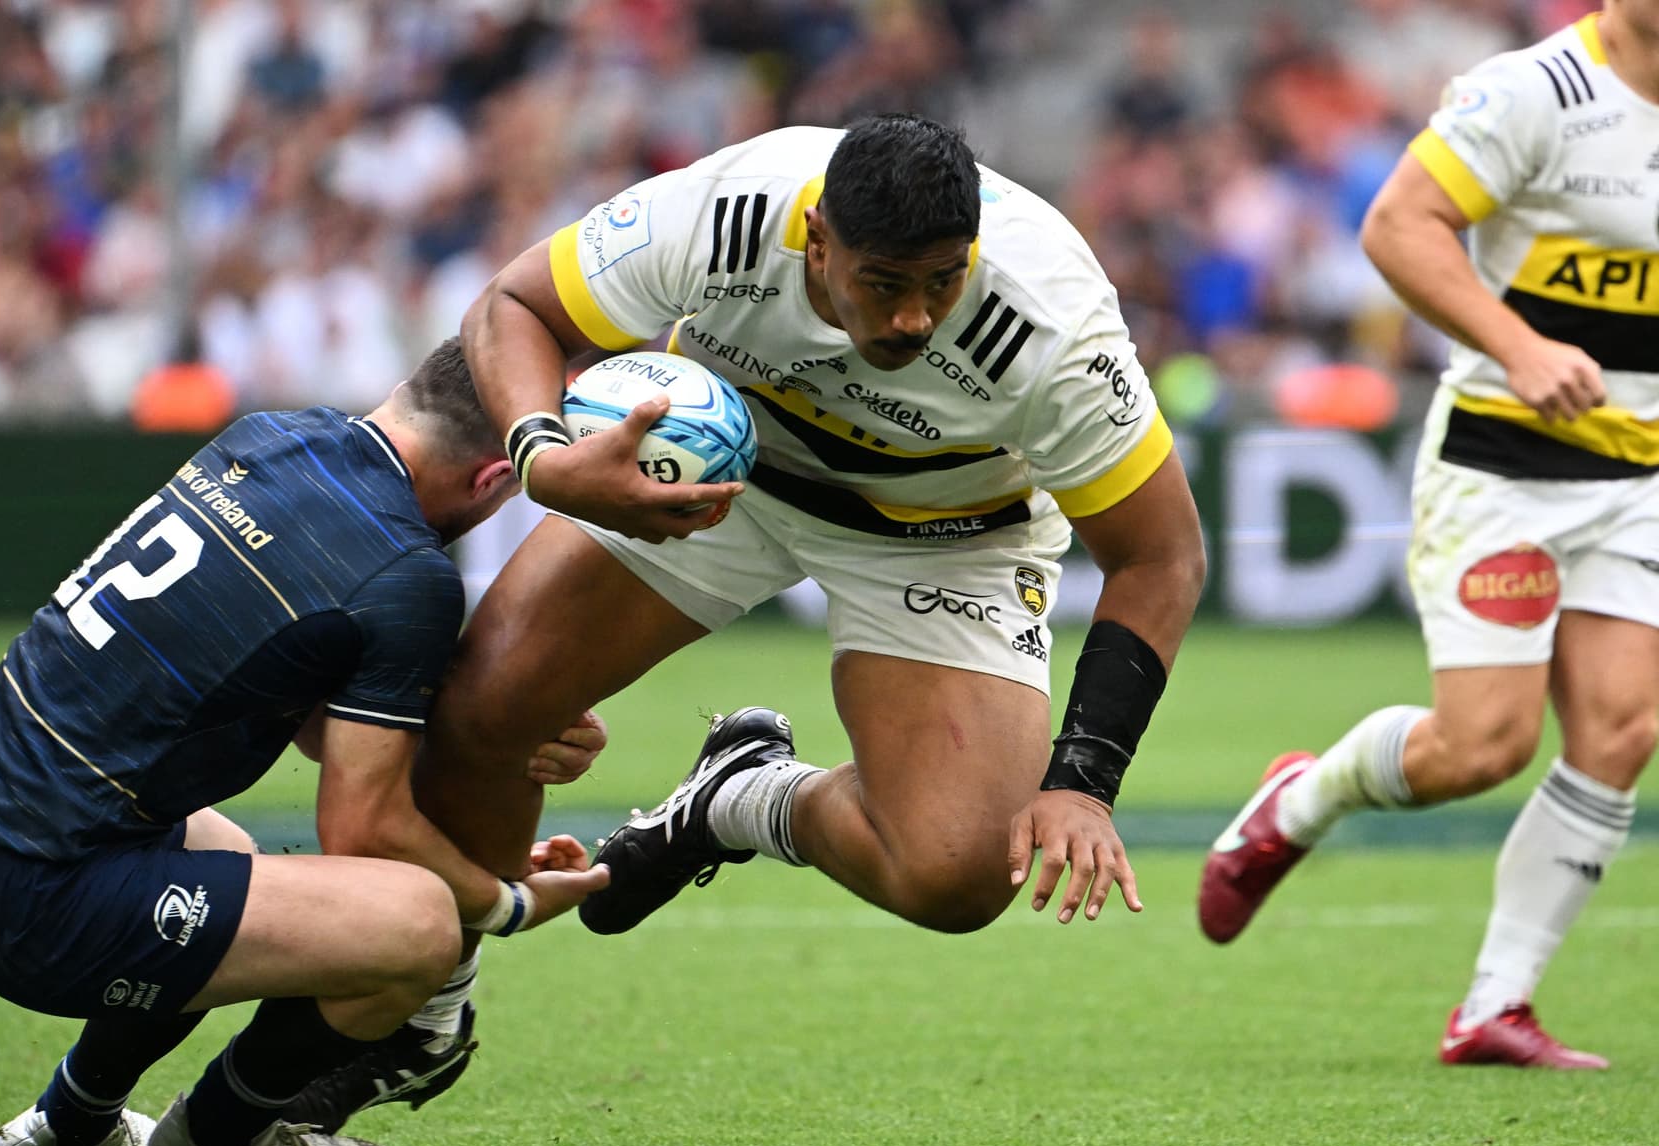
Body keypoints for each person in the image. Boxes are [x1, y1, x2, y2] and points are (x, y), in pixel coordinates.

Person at [411, 114, 1206, 944]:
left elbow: (1161, 556)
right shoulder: (729, 206)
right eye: (887, 283)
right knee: (483, 709)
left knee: (957, 875)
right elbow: (515, 302)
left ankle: (740, 797)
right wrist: (544, 460)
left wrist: (1083, 782)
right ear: (818, 241)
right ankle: (427, 1005)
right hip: (720, 465)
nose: (914, 319)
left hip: (949, 529)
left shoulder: (1053, 324)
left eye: (943, 281)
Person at [0, 339, 611, 1146]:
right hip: (34, 897)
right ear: (497, 479)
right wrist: (505, 902)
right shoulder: (405, 571)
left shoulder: (271, 436)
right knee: (420, 923)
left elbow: (307, 704)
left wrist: (497, 735)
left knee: (227, 861)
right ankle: (218, 1138)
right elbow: (363, 829)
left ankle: (73, 1121)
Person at [1199, 4, 1659, 1069]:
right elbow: (1399, 226)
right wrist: (1520, 346)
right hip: (1507, 462)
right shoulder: (1538, 92)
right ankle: (1299, 798)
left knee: (1622, 728)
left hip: (1639, 474)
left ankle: (1496, 1005)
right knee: (1481, 748)